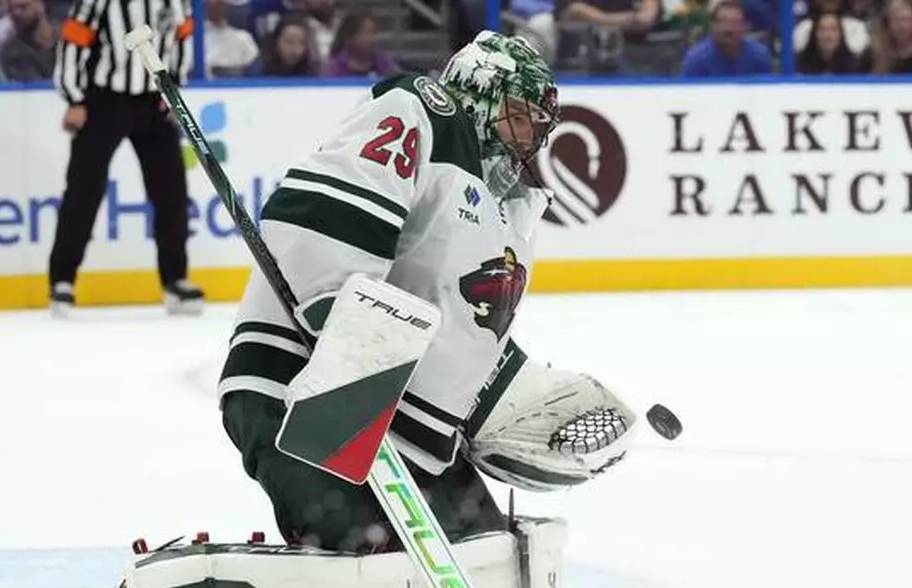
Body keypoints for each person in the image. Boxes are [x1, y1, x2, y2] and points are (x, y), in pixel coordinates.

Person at [217, 30, 639, 555]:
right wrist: (346, 338)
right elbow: (324, 218)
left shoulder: (508, 214)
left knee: (487, 557)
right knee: (370, 569)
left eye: (538, 124)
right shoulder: (425, 112)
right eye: (518, 114)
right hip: (294, 389)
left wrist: (520, 407)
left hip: (401, 429)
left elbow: (460, 338)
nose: (530, 135)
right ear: (478, 94)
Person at [49, 0, 205, 316]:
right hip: (105, 100)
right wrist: (74, 98)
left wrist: (174, 91)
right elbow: (73, 41)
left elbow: (183, 37)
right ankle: (62, 280)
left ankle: (175, 278)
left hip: (155, 101)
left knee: (171, 192)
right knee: (83, 189)